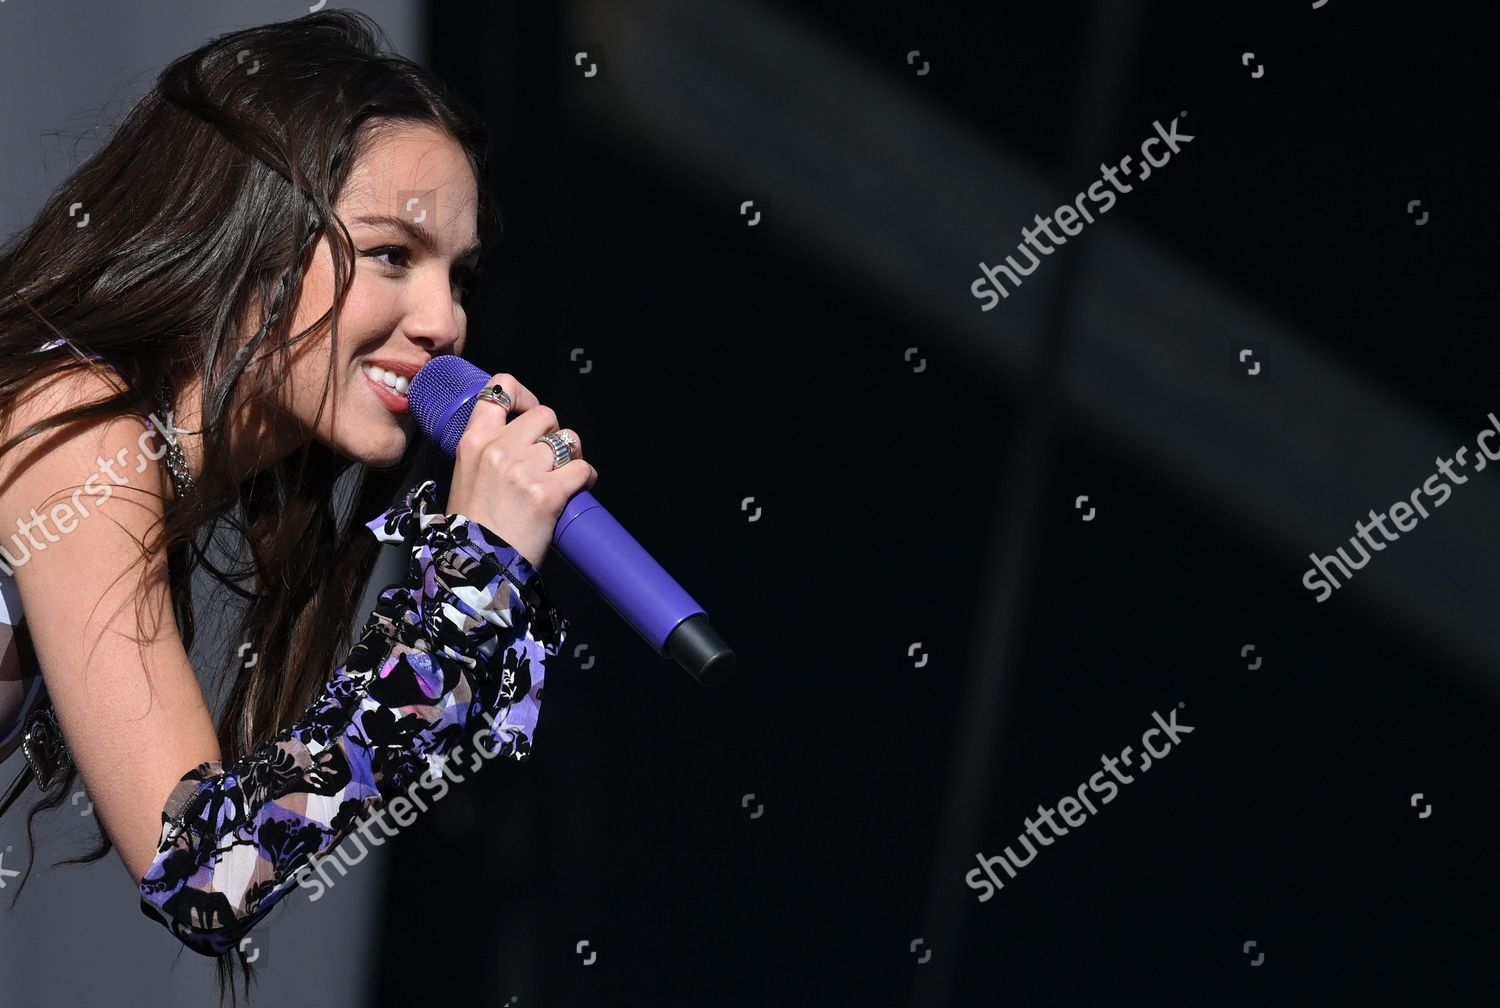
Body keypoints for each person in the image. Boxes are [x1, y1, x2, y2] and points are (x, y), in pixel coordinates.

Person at [0, 10, 596, 1004]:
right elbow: (209, 873)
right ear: (251, 228)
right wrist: (469, 589)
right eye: (394, 255)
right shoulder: (77, 422)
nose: (446, 321)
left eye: (461, 276)